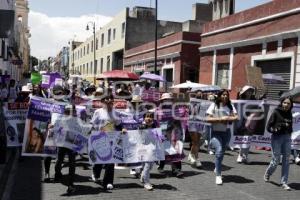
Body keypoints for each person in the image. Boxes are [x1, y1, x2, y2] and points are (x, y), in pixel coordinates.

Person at [206, 89, 238, 185]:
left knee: (222, 152)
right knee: (219, 151)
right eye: (223, 95)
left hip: (226, 132)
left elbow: (236, 117)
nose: (225, 96)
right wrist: (220, 119)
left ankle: (217, 166)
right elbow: (208, 118)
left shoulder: (230, 106)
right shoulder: (214, 105)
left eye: (226, 95)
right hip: (215, 132)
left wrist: (228, 118)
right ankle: (218, 176)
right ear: (219, 96)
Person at [90, 93, 122, 190]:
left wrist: (122, 129)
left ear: (113, 101)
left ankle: (108, 182)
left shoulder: (116, 112)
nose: (108, 101)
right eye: (106, 99)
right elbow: (92, 124)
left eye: (110, 99)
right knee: (99, 160)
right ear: (102, 101)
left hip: (112, 138)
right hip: (99, 137)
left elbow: (119, 124)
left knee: (110, 161)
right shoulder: (98, 112)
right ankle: (95, 173)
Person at [264, 97, 293, 191]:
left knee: (286, 160)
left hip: (287, 137)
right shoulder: (276, 112)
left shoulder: (290, 113)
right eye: (285, 103)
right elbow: (269, 127)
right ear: (281, 103)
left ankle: (284, 182)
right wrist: (276, 128)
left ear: (291, 105)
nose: (286, 105)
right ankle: (268, 173)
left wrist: (288, 128)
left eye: (288, 103)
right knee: (276, 160)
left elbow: (290, 126)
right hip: (277, 138)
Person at [53, 105, 77, 194]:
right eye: (68, 111)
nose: (70, 112)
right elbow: (55, 129)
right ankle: (57, 174)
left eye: (71, 111)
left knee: (70, 163)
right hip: (62, 143)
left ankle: (70, 183)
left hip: (71, 144)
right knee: (61, 160)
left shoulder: (76, 120)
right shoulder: (61, 118)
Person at [236, 85, 256, 164]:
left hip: (250, 122)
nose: (249, 93)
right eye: (248, 91)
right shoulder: (240, 100)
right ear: (244, 92)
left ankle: (245, 155)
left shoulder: (254, 100)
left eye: (251, 91)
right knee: (242, 140)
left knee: (248, 139)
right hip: (241, 121)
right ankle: (241, 155)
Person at [139, 111, 157, 190]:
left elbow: (157, 135)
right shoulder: (141, 126)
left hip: (151, 148)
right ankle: (146, 183)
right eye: (147, 116)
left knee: (150, 166)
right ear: (144, 118)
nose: (149, 118)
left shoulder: (154, 126)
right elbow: (140, 133)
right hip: (143, 148)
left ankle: (143, 175)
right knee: (146, 165)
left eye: (150, 117)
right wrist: (146, 126)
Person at [188, 90, 204, 168]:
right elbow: (187, 112)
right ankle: (197, 159)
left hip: (201, 123)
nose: (200, 94)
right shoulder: (190, 103)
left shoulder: (204, 103)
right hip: (192, 123)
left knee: (197, 141)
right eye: (198, 93)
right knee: (195, 141)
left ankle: (191, 154)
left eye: (201, 94)